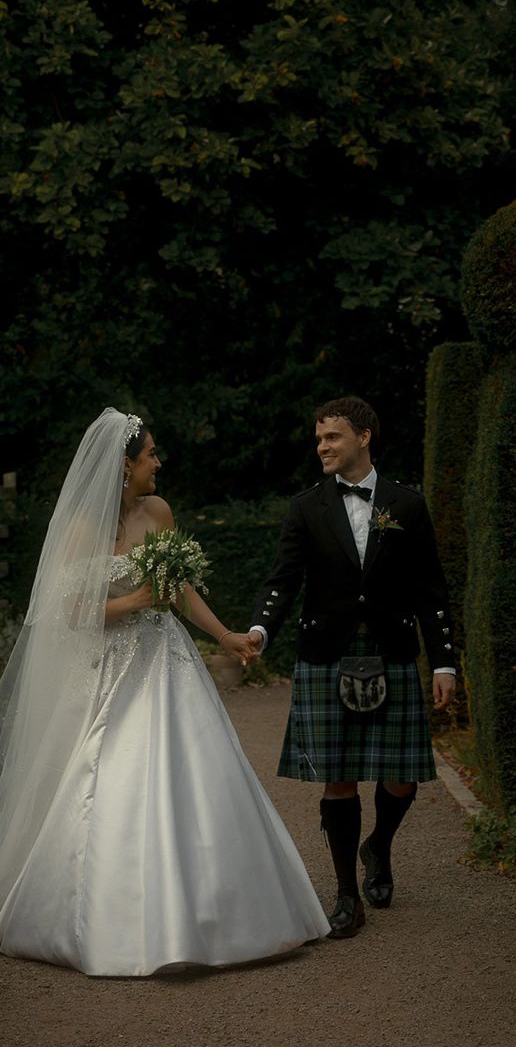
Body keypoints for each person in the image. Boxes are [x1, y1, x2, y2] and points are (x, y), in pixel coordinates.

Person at [0, 408, 329, 976]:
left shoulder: (159, 512)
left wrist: (226, 635)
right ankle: (111, 921)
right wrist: (135, 600)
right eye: (150, 455)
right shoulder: (82, 528)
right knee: (111, 776)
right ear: (125, 466)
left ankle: (223, 914)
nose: (158, 463)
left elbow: (180, 590)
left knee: (201, 768)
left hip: (167, 658)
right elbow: (68, 610)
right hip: (112, 667)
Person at [248, 395, 455, 939]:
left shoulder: (405, 505)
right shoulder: (305, 507)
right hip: (326, 652)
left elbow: (430, 588)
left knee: (403, 778)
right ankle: (344, 895)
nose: (322, 446)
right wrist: (261, 629)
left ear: (364, 437)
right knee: (338, 779)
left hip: (391, 648)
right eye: (319, 439)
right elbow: (282, 579)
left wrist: (444, 664)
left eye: (332, 437)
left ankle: (378, 846)